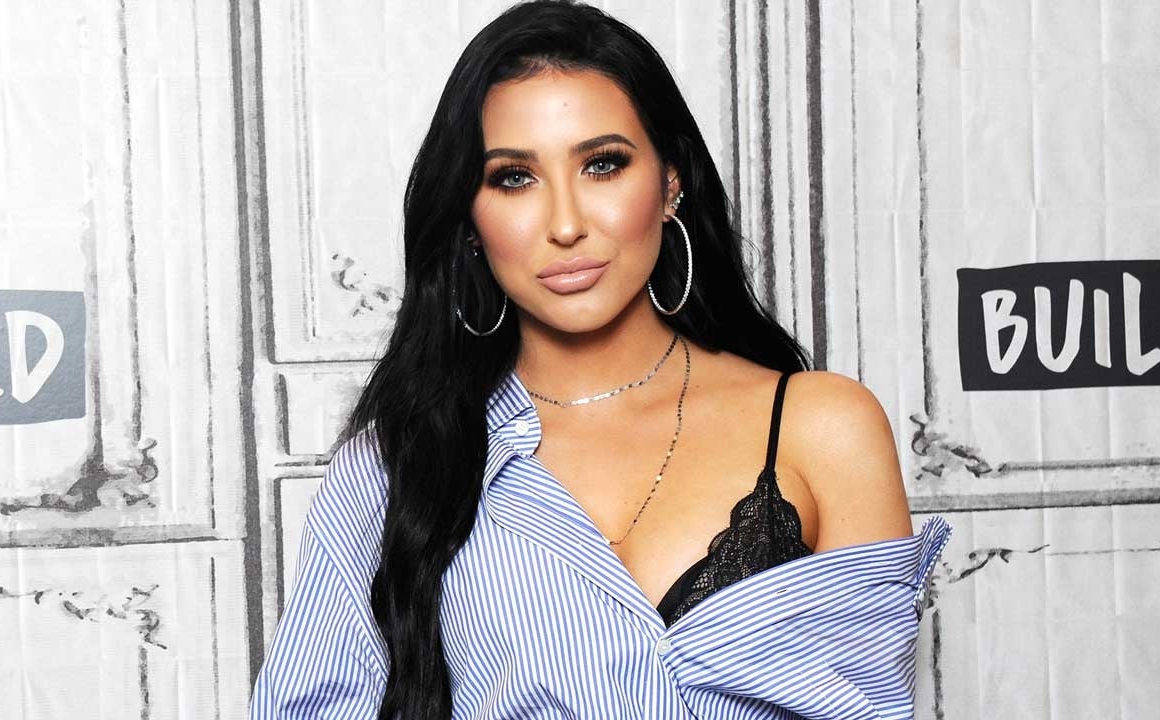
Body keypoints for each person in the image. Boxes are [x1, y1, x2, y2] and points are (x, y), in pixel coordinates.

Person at [249, 1, 953, 718]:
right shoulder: (393, 468)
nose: (565, 225)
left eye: (603, 165)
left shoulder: (821, 426)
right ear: (469, 219)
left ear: (670, 181)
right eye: (514, 178)